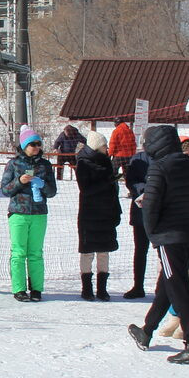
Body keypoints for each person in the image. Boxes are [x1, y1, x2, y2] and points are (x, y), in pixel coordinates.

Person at [126, 126, 189, 364]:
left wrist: (153, 234)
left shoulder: (160, 167)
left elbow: (151, 205)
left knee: (178, 288)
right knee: (168, 284)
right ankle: (147, 331)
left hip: (169, 236)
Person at [1, 125, 58, 301]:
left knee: (36, 253)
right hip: (18, 213)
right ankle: (19, 289)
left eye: (38, 144)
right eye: (32, 144)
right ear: (25, 146)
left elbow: (52, 191)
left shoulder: (45, 165)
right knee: (18, 252)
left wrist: (43, 185)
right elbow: (5, 189)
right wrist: (19, 181)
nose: (36, 147)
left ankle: (36, 288)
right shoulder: (13, 164)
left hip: (39, 213)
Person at [73, 129, 121, 301]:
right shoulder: (83, 163)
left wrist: (116, 210)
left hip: (106, 212)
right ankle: (87, 288)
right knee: (87, 252)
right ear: (96, 146)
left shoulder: (107, 162)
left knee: (104, 251)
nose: (107, 148)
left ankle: (102, 289)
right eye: (104, 145)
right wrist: (107, 181)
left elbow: (112, 190)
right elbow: (86, 189)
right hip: (89, 213)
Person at [122, 149, 151, 298]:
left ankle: (164, 288)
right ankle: (138, 286)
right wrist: (145, 191)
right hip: (141, 211)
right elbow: (130, 181)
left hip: (162, 212)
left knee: (163, 252)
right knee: (140, 250)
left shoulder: (165, 156)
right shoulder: (138, 158)